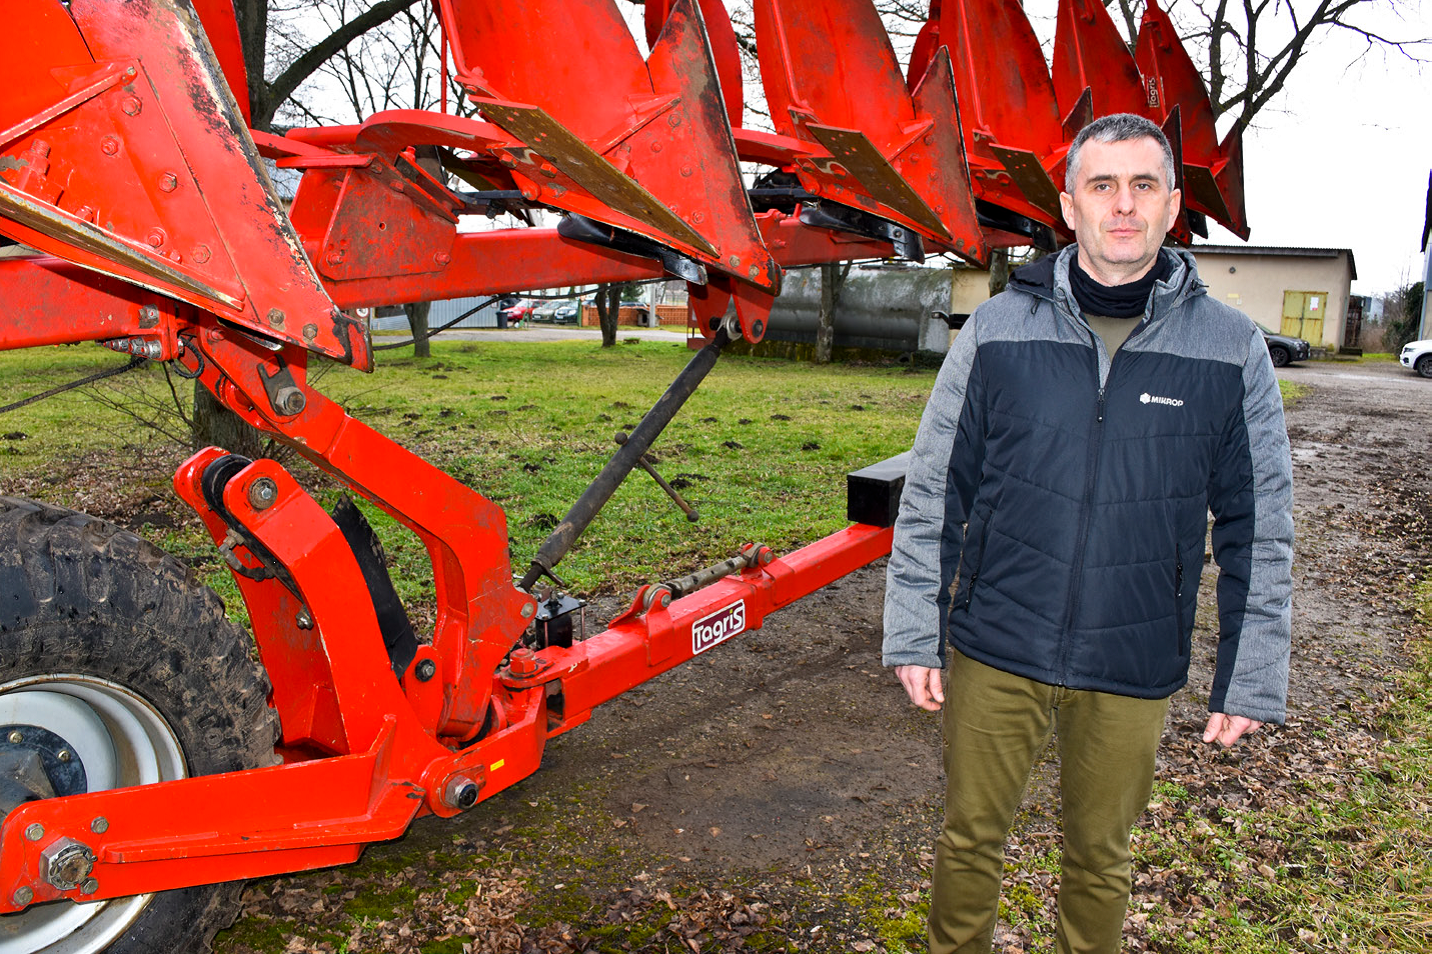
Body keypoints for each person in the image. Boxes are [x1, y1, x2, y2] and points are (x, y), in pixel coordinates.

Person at [882, 112, 1293, 954]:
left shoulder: (1231, 348)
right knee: (967, 846)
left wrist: (1250, 678)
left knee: (1100, 862)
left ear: (1172, 205)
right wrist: (914, 630)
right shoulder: (997, 331)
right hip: (999, 645)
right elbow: (934, 492)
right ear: (1068, 205)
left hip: (1132, 661)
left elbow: (1264, 523)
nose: (1123, 206)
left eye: (1144, 185)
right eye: (1102, 185)